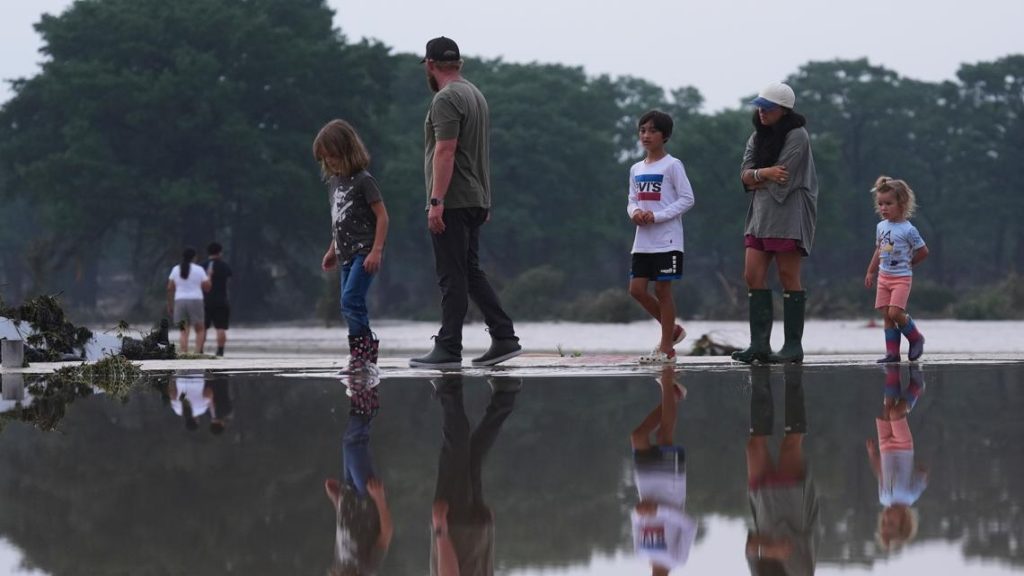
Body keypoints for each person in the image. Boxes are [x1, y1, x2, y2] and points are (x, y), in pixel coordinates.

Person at [410, 36, 521, 369]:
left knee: (452, 275)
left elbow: (446, 150)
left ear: (430, 65)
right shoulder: (475, 95)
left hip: (453, 200)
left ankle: (449, 347)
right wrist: (485, 200)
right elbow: (481, 153)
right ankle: (504, 337)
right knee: (470, 273)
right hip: (475, 198)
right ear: (458, 63)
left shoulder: (446, 99)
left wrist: (436, 201)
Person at [732, 82, 819, 365]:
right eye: (759, 106)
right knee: (751, 274)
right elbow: (744, 175)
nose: (761, 112)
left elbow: (784, 177)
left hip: (788, 213)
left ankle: (793, 346)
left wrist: (758, 177)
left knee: (787, 275)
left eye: (767, 108)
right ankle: (759, 345)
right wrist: (763, 174)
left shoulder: (797, 136)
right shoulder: (756, 138)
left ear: (783, 110)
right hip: (759, 215)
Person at [314, 119, 390, 371]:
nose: (330, 163)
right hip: (345, 254)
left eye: (333, 156)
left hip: (364, 252)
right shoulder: (334, 183)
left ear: (347, 151)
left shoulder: (363, 181)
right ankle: (363, 355)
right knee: (348, 304)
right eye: (325, 159)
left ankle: (362, 356)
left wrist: (376, 250)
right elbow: (340, 220)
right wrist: (331, 250)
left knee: (350, 300)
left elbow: (382, 216)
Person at [429, 373, 520, 576]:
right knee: (455, 449)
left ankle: (506, 394)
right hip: (455, 527)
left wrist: (487, 533)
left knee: (473, 457)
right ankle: (448, 389)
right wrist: (440, 530)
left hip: (477, 533)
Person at [627, 110, 696, 364]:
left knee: (663, 289)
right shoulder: (636, 168)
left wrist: (657, 216)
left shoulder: (672, 165)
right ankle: (673, 330)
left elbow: (687, 199)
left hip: (667, 239)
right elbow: (632, 199)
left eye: (652, 131)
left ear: (664, 136)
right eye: (643, 130)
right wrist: (635, 212)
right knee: (636, 290)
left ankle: (667, 348)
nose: (646, 135)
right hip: (642, 240)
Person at [744, 365, 819, 575]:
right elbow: (787, 547)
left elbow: (750, 547)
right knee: (791, 443)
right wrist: (768, 549)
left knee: (754, 446)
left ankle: (760, 375)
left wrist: (766, 548)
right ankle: (793, 374)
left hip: (763, 506)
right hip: (793, 504)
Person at [629, 365, 696, 574]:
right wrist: (660, 510)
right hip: (670, 490)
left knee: (638, 436)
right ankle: (667, 381)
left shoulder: (641, 555)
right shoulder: (678, 560)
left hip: (647, 489)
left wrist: (638, 512)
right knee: (664, 437)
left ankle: (673, 396)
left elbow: (636, 522)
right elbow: (689, 525)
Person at [325, 369, 392, 575]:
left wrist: (338, 502)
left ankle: (364, 392)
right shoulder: (366, 568)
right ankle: (364, 390)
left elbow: (346, 535)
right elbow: (386, 534)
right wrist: (379, 499)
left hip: (348, 496)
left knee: (349, 443)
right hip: (366, 496)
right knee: (354, 442)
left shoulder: (340, 567)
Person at [864, 176, 929, 363]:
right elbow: (879, 249)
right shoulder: (881, 227)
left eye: (888, 203)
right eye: (880, 204)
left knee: (895, 313)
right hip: (884, 277)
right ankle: (892, 353)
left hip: (901, 278)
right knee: (886, 315)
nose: (883, 208)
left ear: (902, 203)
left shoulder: (909, 230)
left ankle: (916, 337)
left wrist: (911, 263)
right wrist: (870, 271)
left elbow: (923, 251)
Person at [866, 364, 927, 551]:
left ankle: (893, 373)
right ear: (904, 521)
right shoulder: (910, 496)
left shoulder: (884, 498)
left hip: (885, 447)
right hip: (902, 447)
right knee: (895, 413)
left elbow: (881, 472)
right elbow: (922, 477)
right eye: (890, 523)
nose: (886, 518)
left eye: (883, 522)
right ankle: (916, 387)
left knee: (886, 410)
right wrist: (920, 471)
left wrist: (873, 454)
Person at [166, 247, 210, 354]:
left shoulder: (176, 269)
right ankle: (197, 353)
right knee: (200, 329)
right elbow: (207, 287)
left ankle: (184, 352)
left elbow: (170, 288)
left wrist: (170, 305)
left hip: (180, 301)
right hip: (196, 300)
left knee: (183, 331)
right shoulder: (199, 269)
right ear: (194, 257)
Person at [201, 242, 232, 357]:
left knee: (203, 328)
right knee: (221, 327)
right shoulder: (224, 266)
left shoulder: (202, 266)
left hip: (205, 301)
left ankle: (200, 350)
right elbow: (229, 280)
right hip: (221, 300)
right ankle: (220, 350)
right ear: (219, 252)